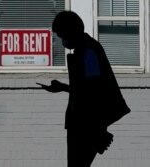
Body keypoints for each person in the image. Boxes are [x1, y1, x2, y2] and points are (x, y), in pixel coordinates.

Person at [37, 11, 130, 167]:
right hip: (85, 124)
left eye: (62, 36)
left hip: (84, 126)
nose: (62, 41)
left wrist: (95, 130)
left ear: (71, 31)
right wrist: (63, 87)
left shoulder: (88, 52)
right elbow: (87, 89)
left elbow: (93, 91)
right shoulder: (86, 50)